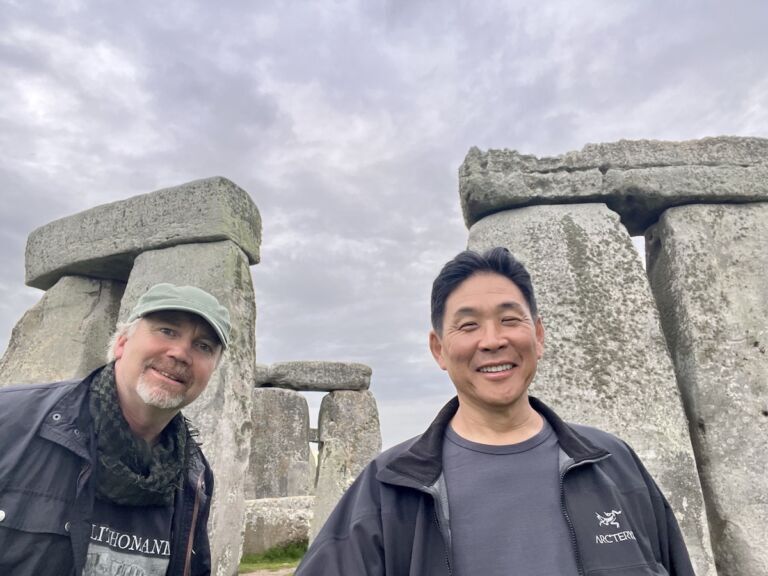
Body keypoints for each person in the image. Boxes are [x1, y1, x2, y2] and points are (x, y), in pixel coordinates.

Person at [296, 247, 694, 575]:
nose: (492, 340)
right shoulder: (389, 487)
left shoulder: (614, 463)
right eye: (468, 326)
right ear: (438, 349)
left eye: (509, 319)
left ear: (538, 336)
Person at [0, 283, 231, 576]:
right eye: (167, 331)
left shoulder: (194, 475)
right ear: (121, 342)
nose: (181, 353)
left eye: (203, 346)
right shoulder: (10, 421)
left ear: (211, 372)